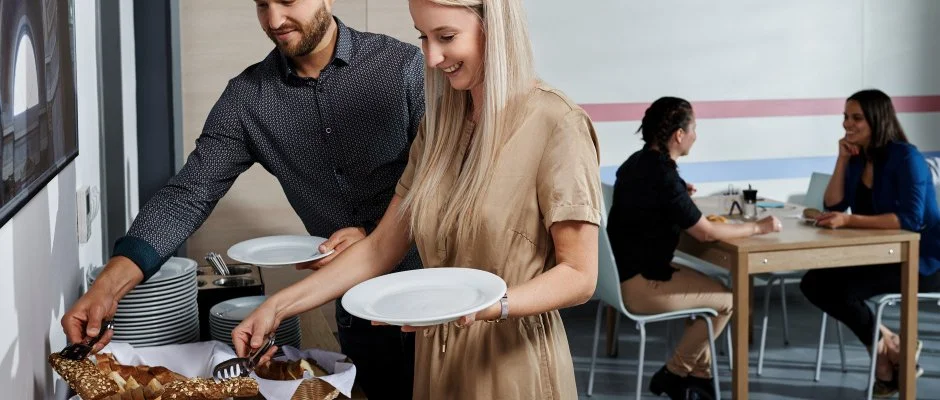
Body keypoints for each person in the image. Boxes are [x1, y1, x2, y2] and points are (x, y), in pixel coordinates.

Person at [232, 0, 601, 398]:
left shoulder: (558, 123)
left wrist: (490, 306)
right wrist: (277, 307)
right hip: (437, 358)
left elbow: (579, 276)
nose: (432, 57)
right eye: (424, 37)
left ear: (495, 28)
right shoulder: (440, 126)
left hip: (511, 362)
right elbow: (380, 249)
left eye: (446, 37)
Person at [60, 1, 424, 398]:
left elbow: (451, 180)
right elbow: (187, 195)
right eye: (262, 4)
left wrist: (373, 234)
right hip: (357, 312)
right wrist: (108, 286)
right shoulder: (248, 99)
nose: (274, 20)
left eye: (287, 1)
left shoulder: (404, 67)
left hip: (437, 294)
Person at [606, 97, 782, 400]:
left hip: (620, 274)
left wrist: (678, 192)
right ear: (679, 134)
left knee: (712, 291)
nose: (695, 136)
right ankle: (674, 373)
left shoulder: (637, 162)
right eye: (694, 129)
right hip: (640, 283)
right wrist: (758, 228)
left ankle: (701, 379)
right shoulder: (664, 176)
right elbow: (705, 232)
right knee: (729, 300)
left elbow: (651, 199)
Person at [799, 89, 940, 396]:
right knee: (813, 283)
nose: (847, 124)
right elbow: (834, 204)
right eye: (845, 117)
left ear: (877, 119)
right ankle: (892, 344)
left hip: (922, 260)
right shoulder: (857, 158)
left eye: (856, 118)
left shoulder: (907, 157)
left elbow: (910, 220)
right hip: (880, 254)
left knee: (839, 290)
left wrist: (849, 221)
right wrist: (841, 159)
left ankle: (884, 365)